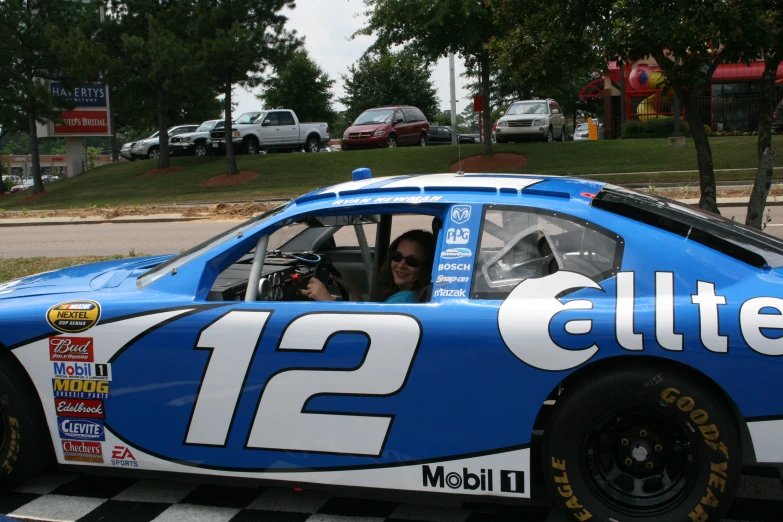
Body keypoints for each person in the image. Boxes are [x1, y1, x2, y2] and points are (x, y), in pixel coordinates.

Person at [306, 229, 435, 303]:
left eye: (412, 261)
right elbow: (365, 321)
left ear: (426, 267)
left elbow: (362, 332)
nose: (401, 265)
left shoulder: (404, 300)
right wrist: (351, 288)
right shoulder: (411, 296)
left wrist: (327, 300)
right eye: (397, 256)